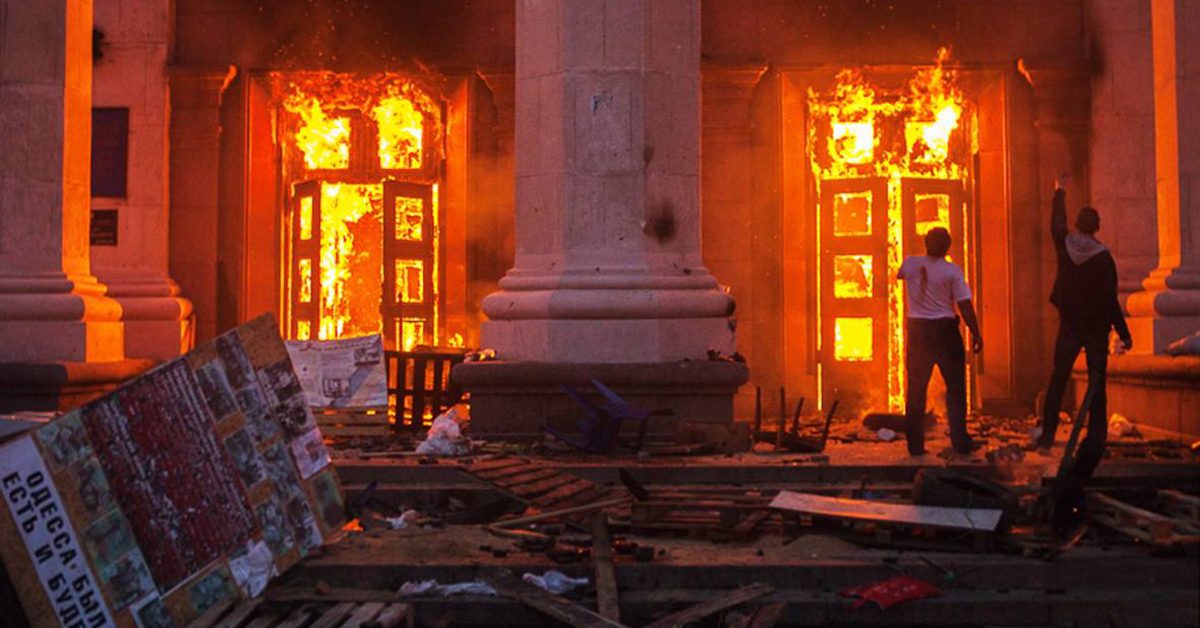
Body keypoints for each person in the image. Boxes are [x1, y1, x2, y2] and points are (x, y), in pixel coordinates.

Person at [1039, 174, 1131, 531]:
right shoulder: (1103, 258)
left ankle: (1048, 434)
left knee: (1058, 378)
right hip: (1095, 329)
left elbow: (1055, 224)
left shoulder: (1067, 245)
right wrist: (1124, 332)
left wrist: (1059, 192)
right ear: (1098, 228)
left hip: (1070, 324)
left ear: (1079, 225)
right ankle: (1096, 435)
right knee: (1097, 383)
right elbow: (1110, 299)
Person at [897, 227, 983, 457]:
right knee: (955, 389)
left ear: (926, 242)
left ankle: (915, 445)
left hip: (918, 332)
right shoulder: (952, 271)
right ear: (948, 247)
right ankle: (960, 442)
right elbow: (964, 305)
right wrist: (976, 333)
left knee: (916, 390)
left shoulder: (910, 264)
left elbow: (900, 275)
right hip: (945, 332)